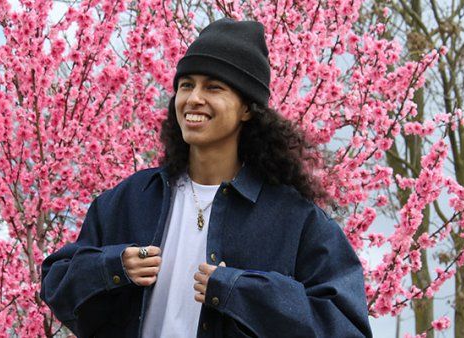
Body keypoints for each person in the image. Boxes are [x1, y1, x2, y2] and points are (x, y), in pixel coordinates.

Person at [40, 18, 372, 338]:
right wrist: (114, 267)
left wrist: (241, 292)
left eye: (213, 87)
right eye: (187, 85)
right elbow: (55, 283)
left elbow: (343, 325)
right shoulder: (130, 198)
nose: (194, 98)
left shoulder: (295, 219)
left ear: (245, 108)